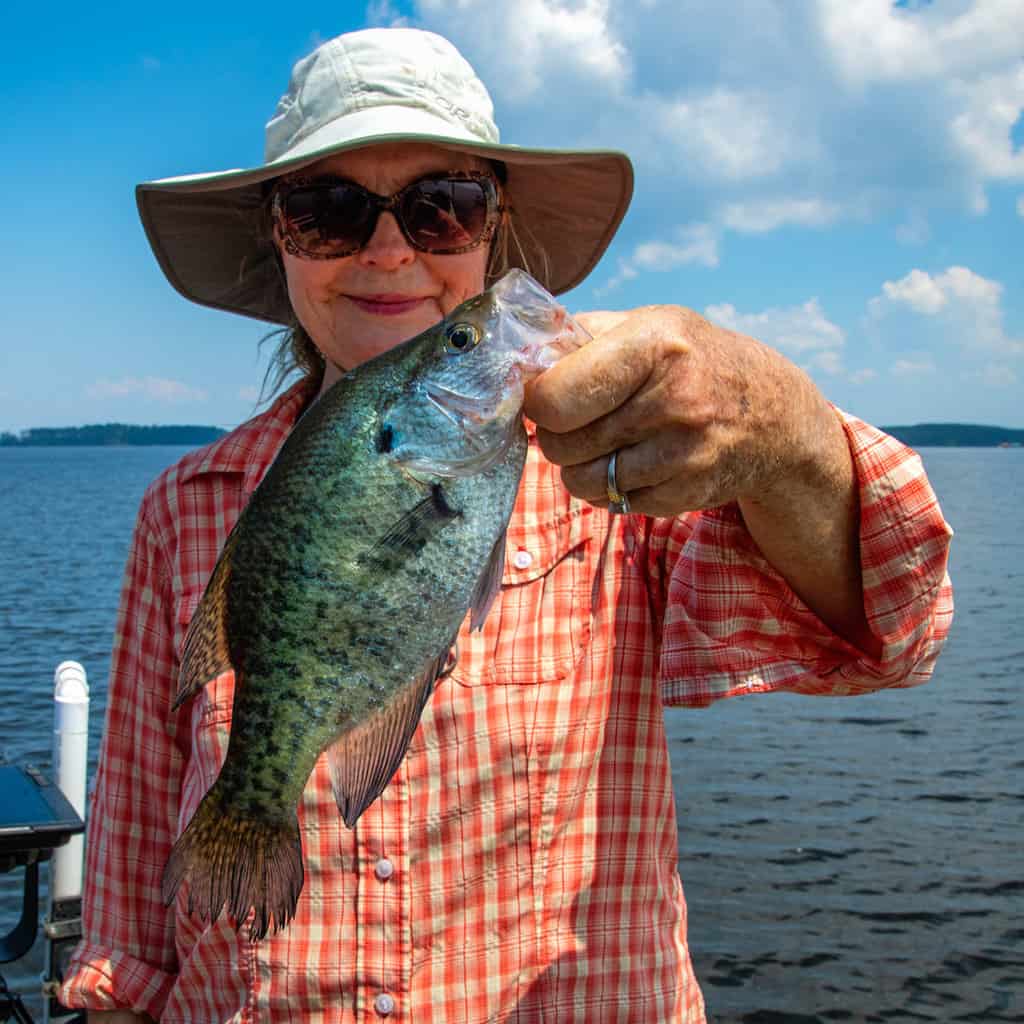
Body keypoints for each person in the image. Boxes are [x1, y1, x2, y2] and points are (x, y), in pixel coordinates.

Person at [60, 27, 953, 1024]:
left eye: (444, 207)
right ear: (280, 238)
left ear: (496, 230)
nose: (391, 249)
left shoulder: (628, 474)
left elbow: (892, 633)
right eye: (329, 211)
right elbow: (131, 902)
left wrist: (778, 430)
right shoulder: (182, 505)